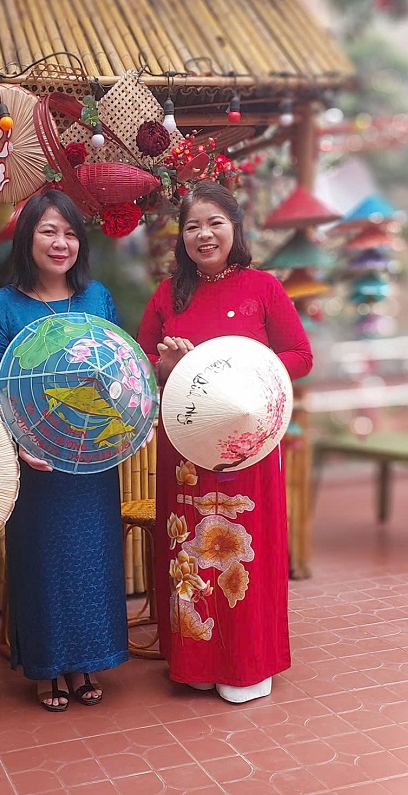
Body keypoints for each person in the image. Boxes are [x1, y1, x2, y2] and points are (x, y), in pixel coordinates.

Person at [137, 180, 313, 704]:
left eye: (214, 222)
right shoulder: (167, 295)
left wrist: (243, 371)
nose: (204, 234)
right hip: (187, 446)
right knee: (188, 552)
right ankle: (195, 661)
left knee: (246, 551)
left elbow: (300, 356)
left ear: (234, 228)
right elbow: (141, 365)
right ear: (182, 237)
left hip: (247, 445)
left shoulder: (263, 287)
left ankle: (246, 663)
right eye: (192, 226)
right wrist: (167, 365)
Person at [0, 188, 128, 711]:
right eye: (48, 232)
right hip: (35, 458)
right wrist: (17, 438)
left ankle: (87, 661)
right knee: (43, 560)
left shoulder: (96, 298)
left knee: (93, 558)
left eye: (70, 234)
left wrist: (129, 422)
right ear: (27, 239)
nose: (61, 243)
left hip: (92, 454)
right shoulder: (3, 305)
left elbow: (119, 368)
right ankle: (47, 667)